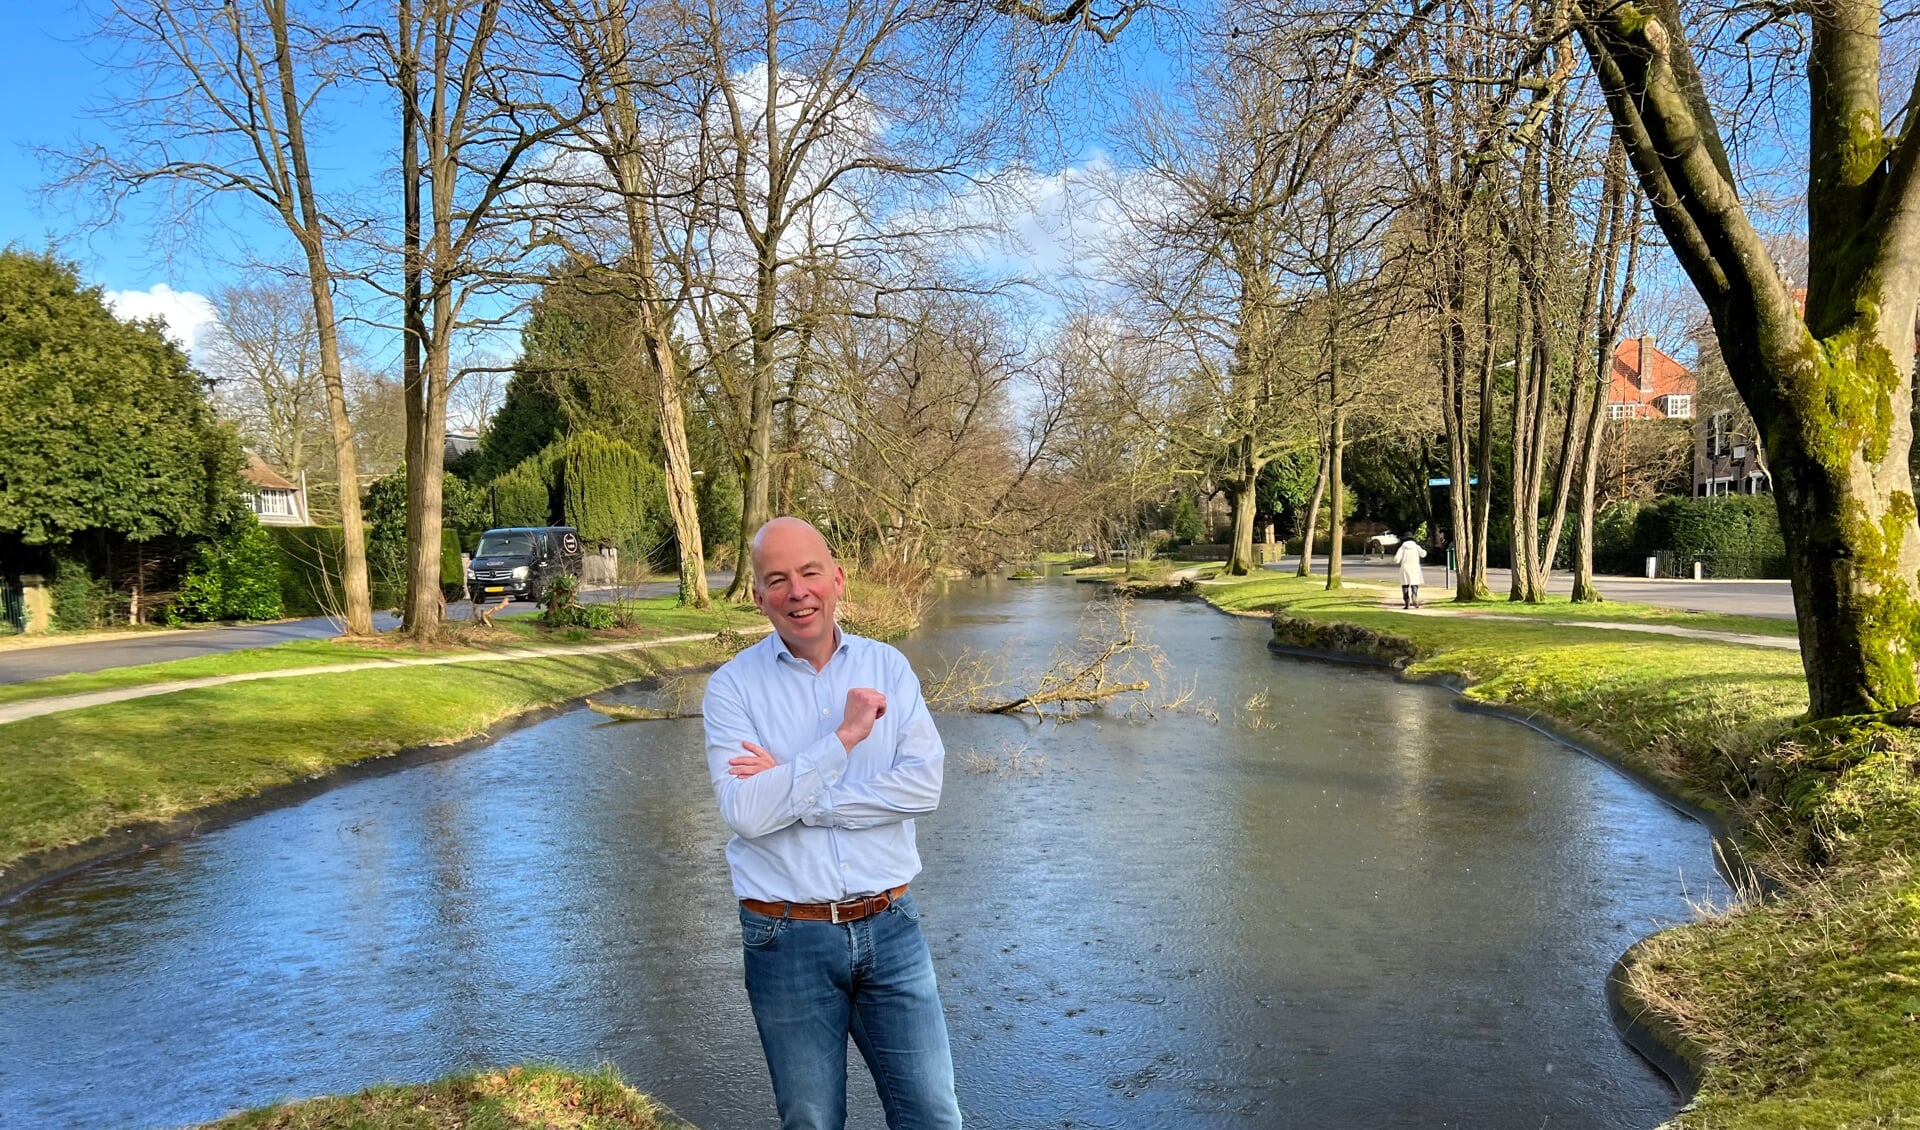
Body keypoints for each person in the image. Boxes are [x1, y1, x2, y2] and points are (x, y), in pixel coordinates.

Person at [702, 517, 962, 1130]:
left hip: (893, 927)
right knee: (811, 1123)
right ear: (760, 596)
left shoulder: (889, 669)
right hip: (785, 936)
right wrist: (843, 740)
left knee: (933, 1116)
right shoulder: (732, 688)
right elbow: (744, 812)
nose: (798, 591)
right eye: (778, 579)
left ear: (838, 579)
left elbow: (925, 787)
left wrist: (796, 786)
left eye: (810, 573)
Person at [1394, 535, 1428, 609]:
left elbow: (1397, 559)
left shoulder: (1402, 548)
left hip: (1405, 567)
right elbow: (1423, 554)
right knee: (1414, 584)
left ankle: (1407, 602)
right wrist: (1424, 551)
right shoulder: (1416, 547)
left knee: (1405, 585)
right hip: (1415, 567)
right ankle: (1414, 596)